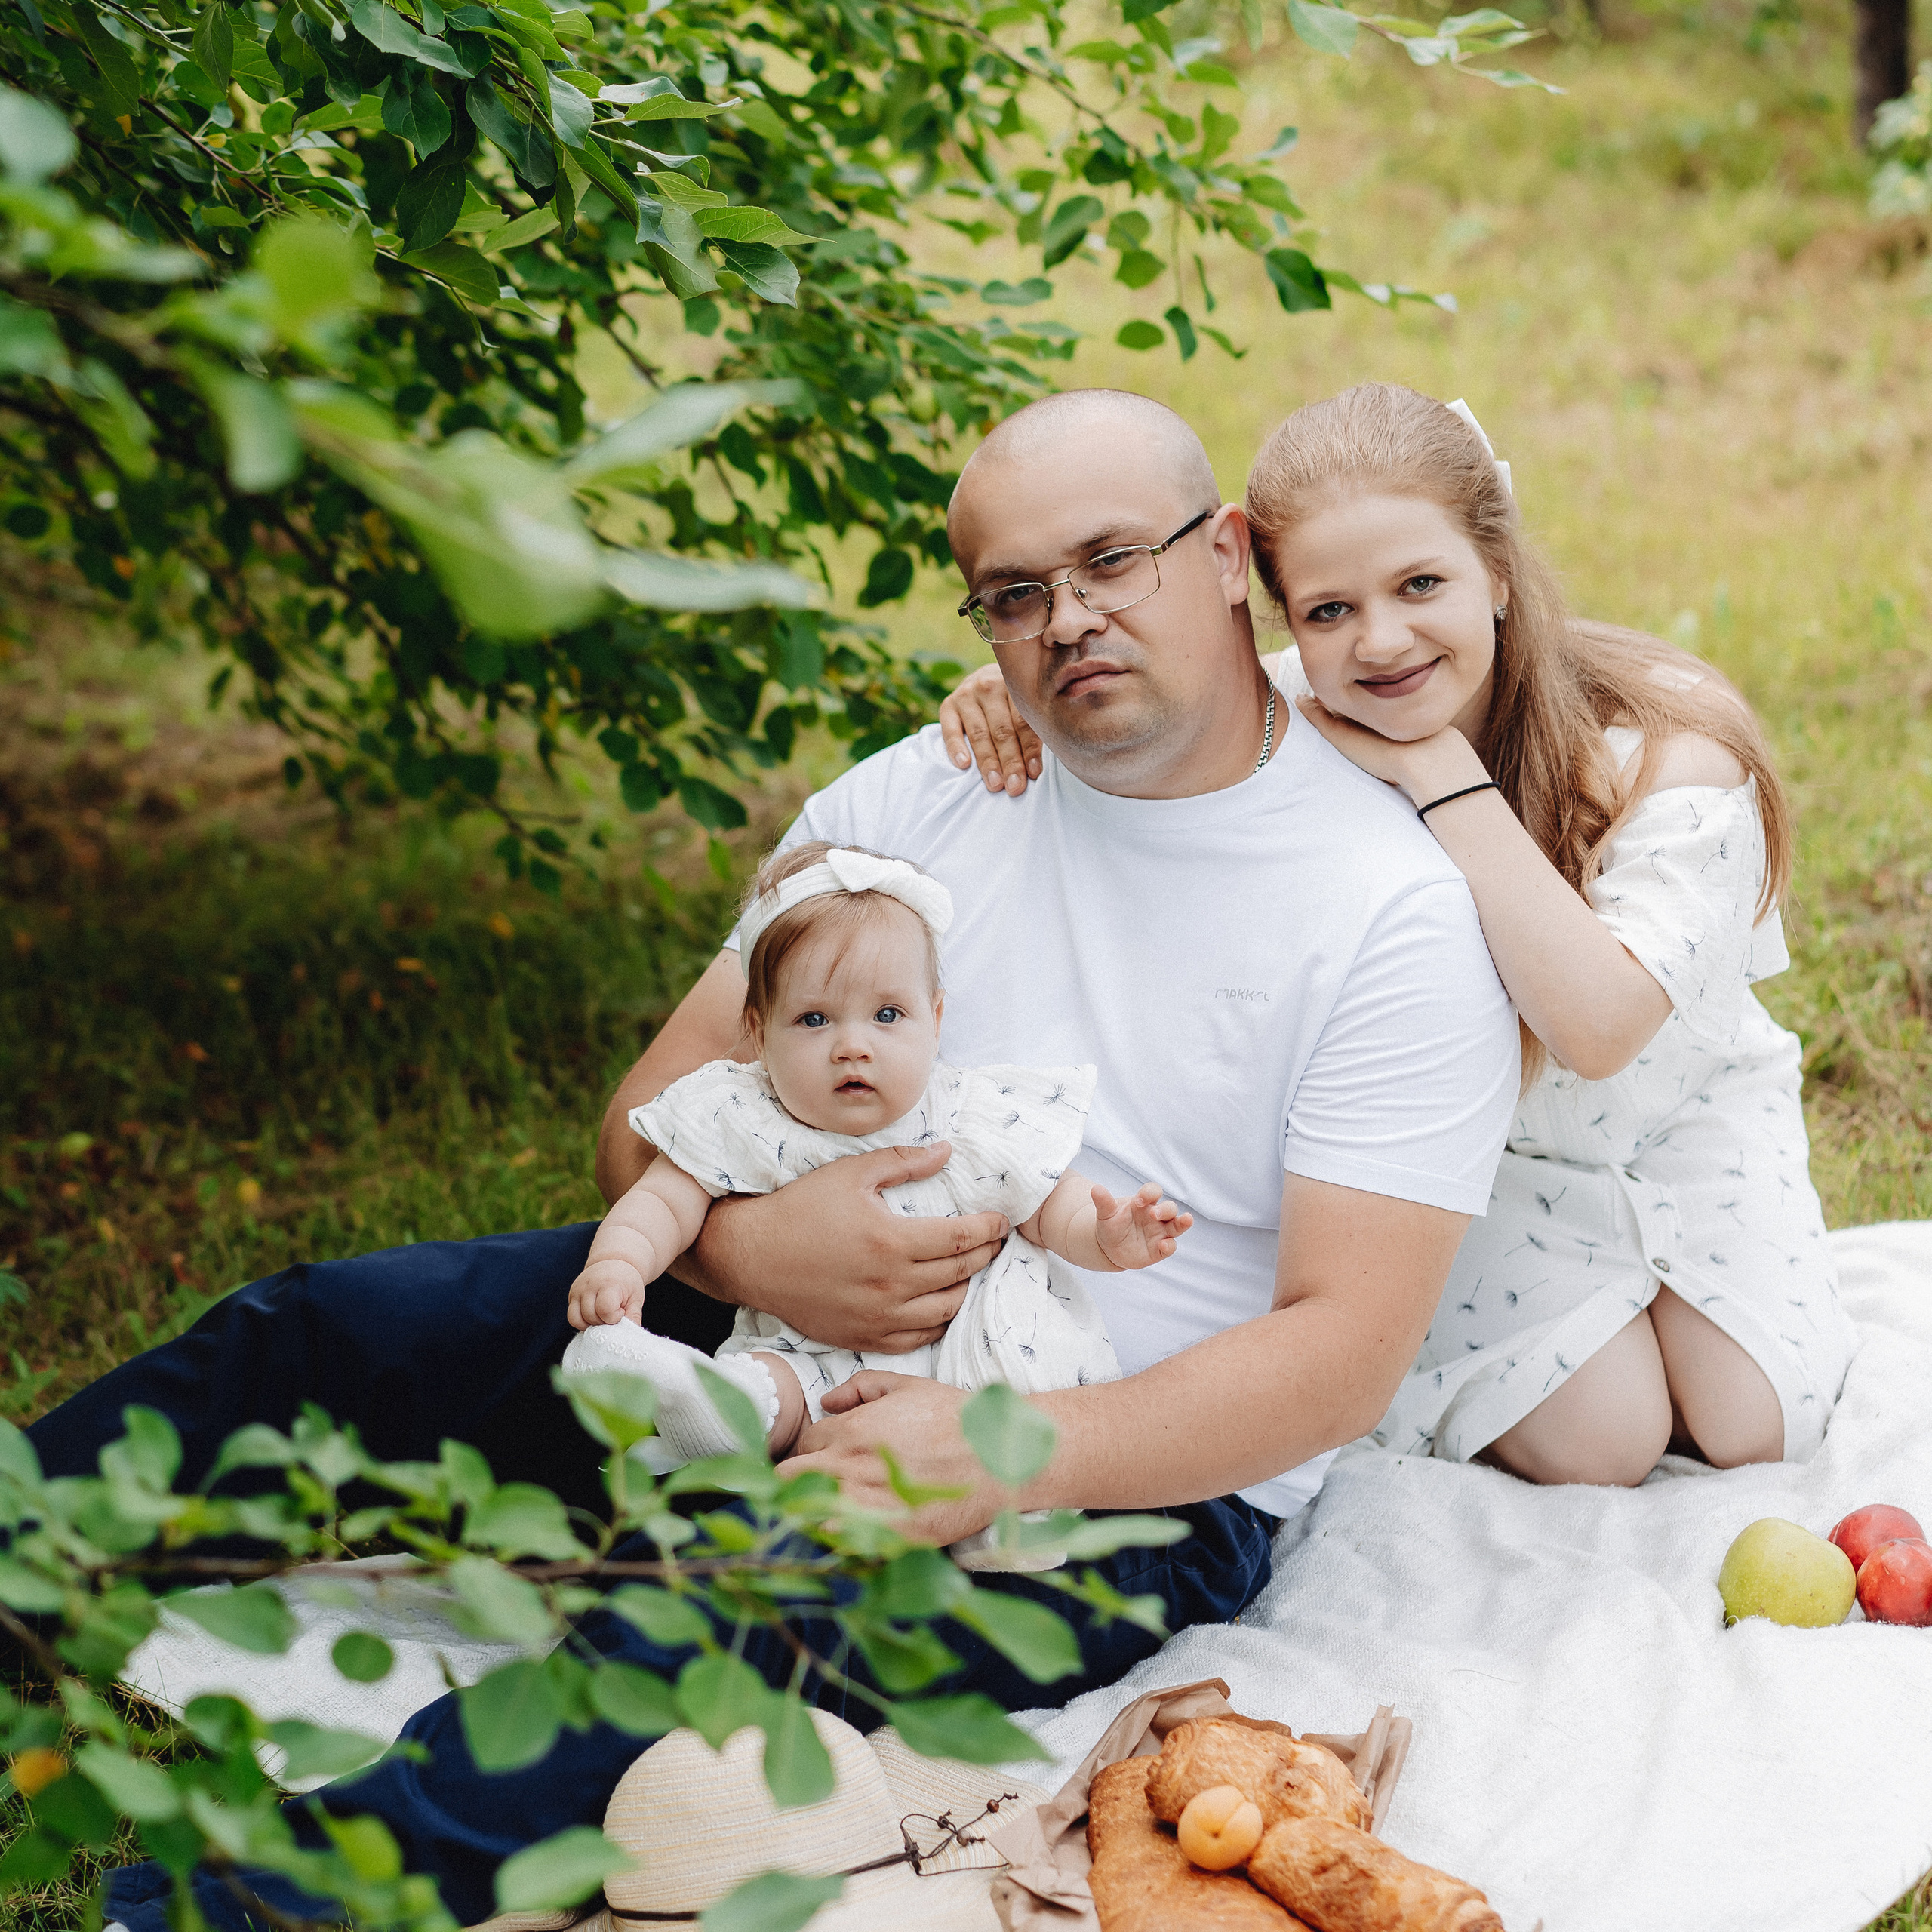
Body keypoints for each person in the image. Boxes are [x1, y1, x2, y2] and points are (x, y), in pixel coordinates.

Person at [38, 386, 1518, 1932]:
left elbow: (1344, 1352)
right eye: (1014, 593)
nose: (1067, 621)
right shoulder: (926, 793)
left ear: (1221, 556)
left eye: (1108, 562)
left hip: (1112, 1472)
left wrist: (1009, 1448)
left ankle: (219, 1911)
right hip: (760, 1332)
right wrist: (746, 1247)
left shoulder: (1390, 906)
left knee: (697, 1638)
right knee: (341, 1330)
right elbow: (643, 1119)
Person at [940, 382, 1856, 1489]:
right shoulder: (1304, 708)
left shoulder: (1666, 750)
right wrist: (994, 690)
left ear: (1498, 571)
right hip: (1495, 1162)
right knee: (1603, 1442)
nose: (1381, 641)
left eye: (1422, 585)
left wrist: (1438, 775)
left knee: (1753, 1422)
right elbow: (1136, 685)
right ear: (1281, 619)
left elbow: (1601, 1030)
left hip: (1677, 1117)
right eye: (1328, 611)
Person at [562, 839, 1189, 1537]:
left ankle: (1002, 1516)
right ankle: (715, 1405)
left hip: (968, 1359)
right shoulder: (743, 1112)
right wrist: (619, 1265)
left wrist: (1106, 1236)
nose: (852, 1045)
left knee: (1006, 1412)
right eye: (814, 1019)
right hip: (813, 1357)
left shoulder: (970, 1115)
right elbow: (659, 1203)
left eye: (887, 1015)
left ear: (935, 1020)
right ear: (758, 1033)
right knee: (779, 1382)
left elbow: (1049, 1205)